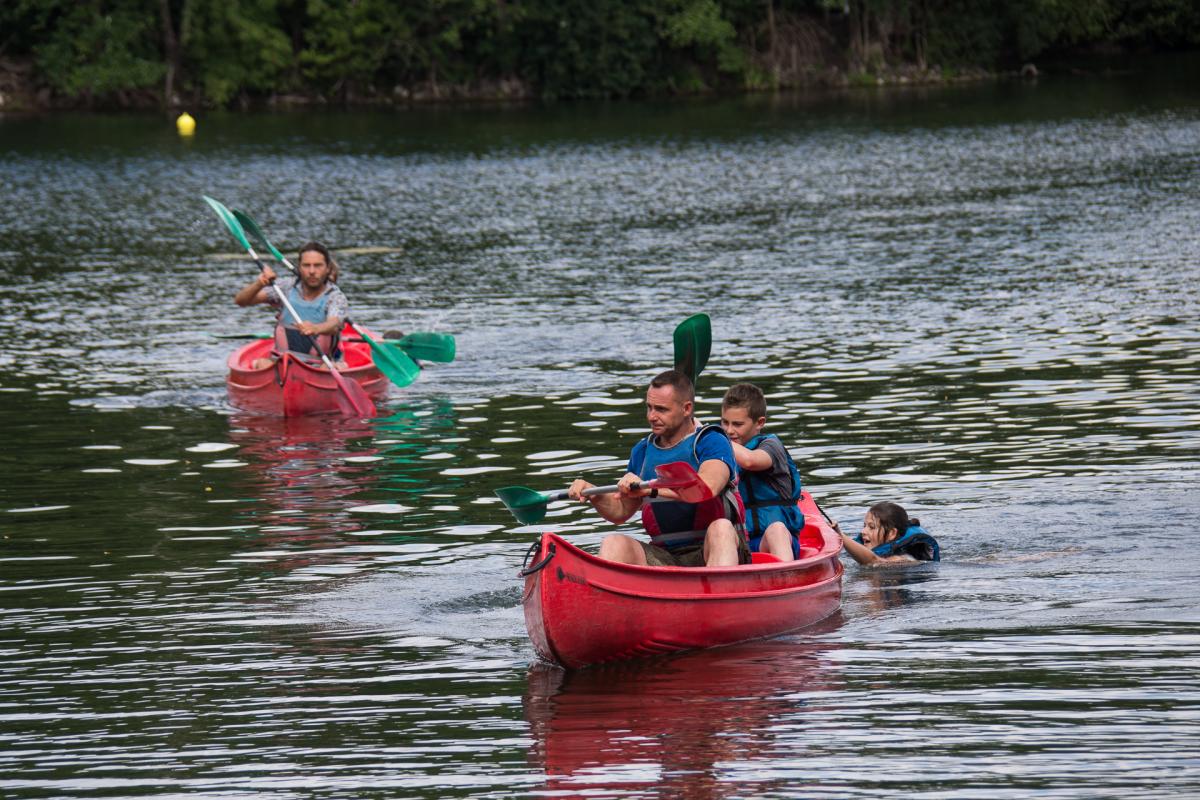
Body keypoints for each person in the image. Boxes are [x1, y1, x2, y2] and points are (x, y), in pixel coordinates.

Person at [567, 370, 749, 567]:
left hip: (712, 549)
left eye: (661, 409)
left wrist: (650, 490)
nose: (652, 416)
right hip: (666, 555)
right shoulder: (642, 451)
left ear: (687, 409)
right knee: (614, 543)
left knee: (721, 528)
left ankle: (718, 586)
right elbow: (621, 511)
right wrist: (594, 494)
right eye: (649, 407)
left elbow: (707, 488)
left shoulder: (712, 441)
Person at [720, 382, 804, 560]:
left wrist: (714, 437)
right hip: (741, 541)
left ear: (760, 423)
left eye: (737, 424)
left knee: (776, 530)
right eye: (725, 422)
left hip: (776, 540)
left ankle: (786, 574)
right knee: (719, 529)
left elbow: (750, 461)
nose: (729, 430)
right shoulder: (717, 452)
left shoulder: (771, 446)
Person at [233, 241, 348, 370]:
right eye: (306, 265)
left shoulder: (335, 296)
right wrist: (259, 283)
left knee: (328, 369)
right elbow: (241, 301)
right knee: (263, 364)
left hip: (321, 364)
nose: (312, 271)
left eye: (318, 266)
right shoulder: (285, 287)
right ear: (299, 267)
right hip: (282, 361)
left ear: (327, 269)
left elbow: (334, 323)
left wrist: (315, 328)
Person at [833, 501, 940, 565]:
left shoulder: (904, 559)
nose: (863, 531)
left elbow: (873, 562)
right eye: (864, 526)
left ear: (892, 534)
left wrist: (840, 534)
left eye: (871, 527)